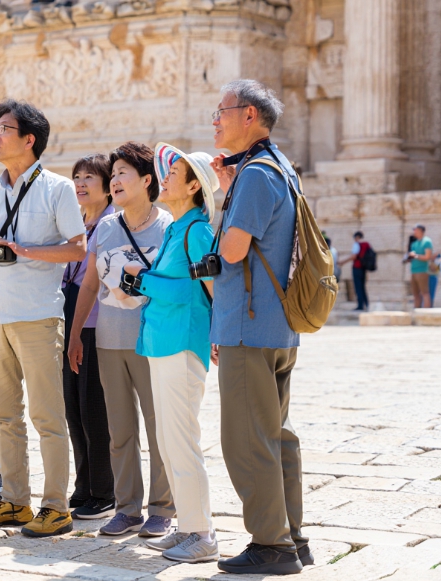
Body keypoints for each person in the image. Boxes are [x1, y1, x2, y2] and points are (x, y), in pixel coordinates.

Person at [0, 99, 86, 538]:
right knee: (3, 415)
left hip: (38, 315)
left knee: (47, 416)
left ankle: (56, 506)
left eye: (4, 129)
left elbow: (77, 248)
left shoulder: (57, 188)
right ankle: (14, 500)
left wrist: (24, 251)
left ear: (29, 139)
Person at [208, 79, 309, 575]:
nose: (215, 121)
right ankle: (293, 534)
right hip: (277, 323)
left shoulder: (255, 174)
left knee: (248, 439)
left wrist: (222, 214)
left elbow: (233, 251)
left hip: (246, 324)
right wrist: (229, 190)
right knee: (277, 433)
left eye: (221, 112)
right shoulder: (280, 167)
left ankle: (272, 545)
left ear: (248, 115)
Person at [67, 142, 174, 538]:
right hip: (109, 340)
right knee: (119, 428)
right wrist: (76, 334)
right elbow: (90, 284)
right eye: (112, 175)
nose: (114, 181)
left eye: (123, 173)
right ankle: (128, 508)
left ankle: (163, 507)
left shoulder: (168, 227)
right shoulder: (106, 227)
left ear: (147, 181)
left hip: (152, 342)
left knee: (157, 425)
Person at [136, 143, 220, 563]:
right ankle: (188, 525)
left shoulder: (197, 230)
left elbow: (203, 289)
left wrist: (144, 281)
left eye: (173, 175)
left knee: (182, 440)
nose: (163, 178)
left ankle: (202, 534)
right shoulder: (177, 228)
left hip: (183, 343)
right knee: (169, 441)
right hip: (161, 341)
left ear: (192, 187)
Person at [62, 154, 115, 520]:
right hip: (69, 318)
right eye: (77, 177)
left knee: (95, 408)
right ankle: (84, 485)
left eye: (89, 177)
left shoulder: (111, 224)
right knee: (73, 408)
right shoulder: (79, 223)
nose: (81, 183)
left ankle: (104, 490)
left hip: (97, 324)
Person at [338, 232, 370, 311]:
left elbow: (354, 256)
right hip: (363, 268)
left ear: (357, 237)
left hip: (357, 268)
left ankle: (360, 305)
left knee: (358, 287)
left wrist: (342, 262)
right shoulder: (366, 244)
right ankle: (366, 303)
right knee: (362, 287)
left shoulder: (357, 244)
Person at [408, 225, 434, 308]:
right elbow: (413, 256)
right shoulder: (414, 243)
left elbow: (427, 257)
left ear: (420, 230)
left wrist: (415, 256)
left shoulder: (427, 241)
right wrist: (408, 258)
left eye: (415, 230)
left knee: (425, 293)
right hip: (413, 271)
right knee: (415, 294)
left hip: (422, 270)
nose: (414, 231)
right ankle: (416, 313)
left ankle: (426, 313)